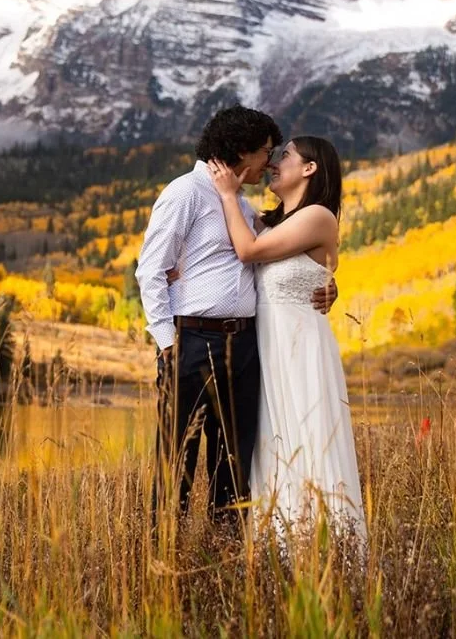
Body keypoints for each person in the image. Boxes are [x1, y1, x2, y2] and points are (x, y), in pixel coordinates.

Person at [137, 106, 335, 530]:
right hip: (192, 341)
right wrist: (167, 342)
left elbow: (286, 254)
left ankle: (225, 553)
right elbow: (150, 269)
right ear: (242, 152)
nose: (270, 162)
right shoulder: (185, 192)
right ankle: (162, 554)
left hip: (245, 346)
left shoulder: (241, 206)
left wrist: (325, 282)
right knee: (178, 455)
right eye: (266, 152)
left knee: (234, 457)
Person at [206, 136, 365, 542]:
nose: (275, 163)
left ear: (310, 169)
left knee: (307, 440)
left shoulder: (319, 216)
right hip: (269, 350)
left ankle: (324, 549)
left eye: (285, 156)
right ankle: (280, 549)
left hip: (300, 350)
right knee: (272, 443)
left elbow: (248, 251)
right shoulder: (275, 220)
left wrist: (228, 193)